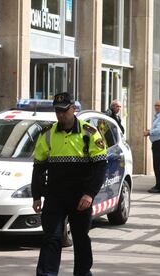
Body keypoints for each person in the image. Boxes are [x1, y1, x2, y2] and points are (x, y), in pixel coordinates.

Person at [31, 92, 107, 276]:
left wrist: (90, 193)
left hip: (80, 197)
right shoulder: (47, 134)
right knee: (51, 238)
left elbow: (100, 168)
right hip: (55, 196)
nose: (61, 115)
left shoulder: (89, 133)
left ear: (73, 109)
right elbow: (39, 167)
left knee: (81, 238)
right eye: (57, 111)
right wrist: (36, 196)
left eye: (64, 111)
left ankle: (82, 273)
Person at [144, 100, 160, 193]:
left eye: (158, 105)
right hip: (158, 142)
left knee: (158, 165)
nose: (156, 107)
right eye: (155, 105)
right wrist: (150, 130)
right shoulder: (159, 116)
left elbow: (159, 130)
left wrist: (149, 132)